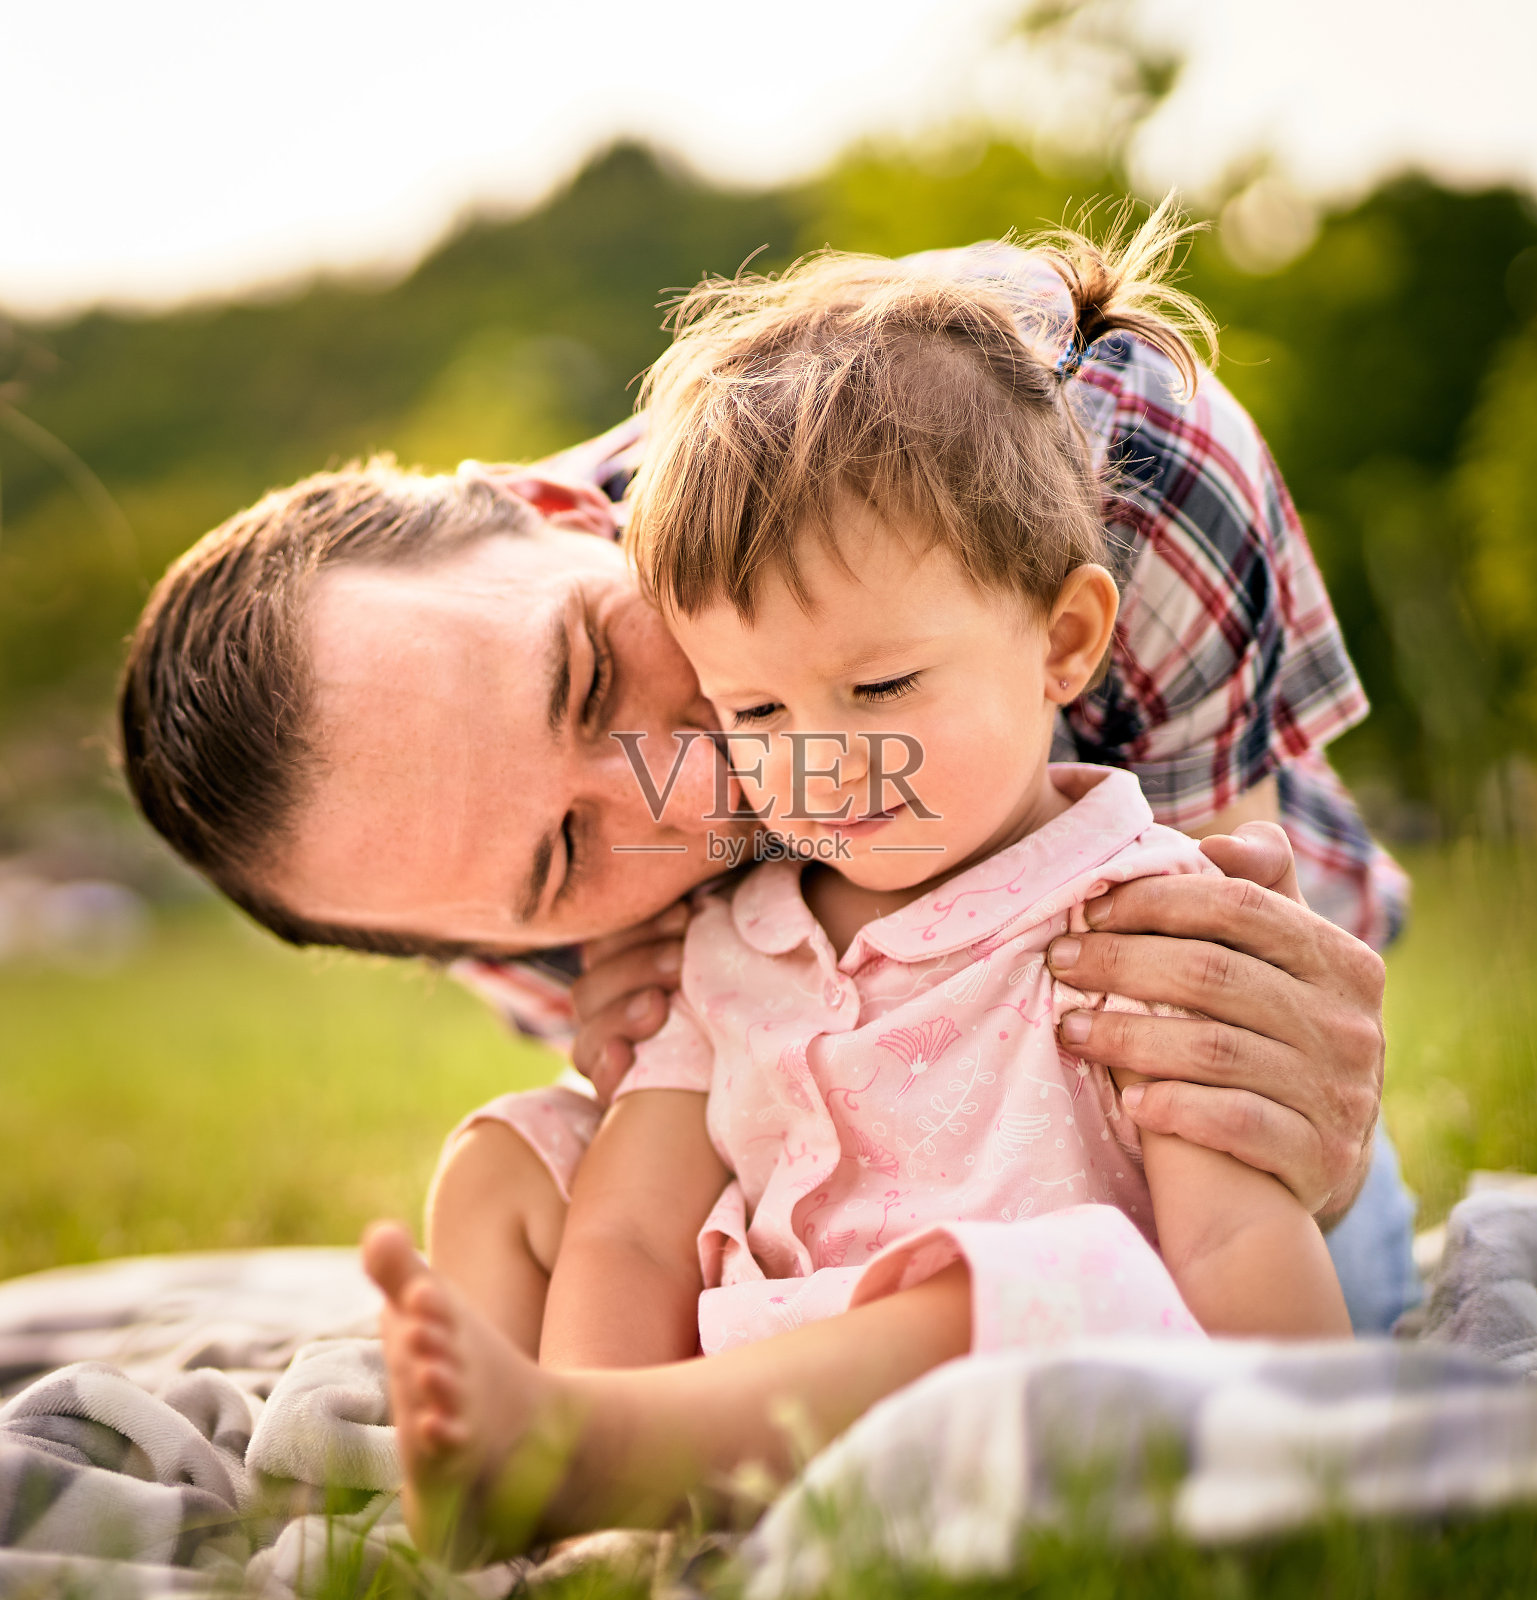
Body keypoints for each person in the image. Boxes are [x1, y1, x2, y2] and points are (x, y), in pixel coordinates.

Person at [116, 225, 1412, 1341]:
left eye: (589, 673)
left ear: (557, 509)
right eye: (567, 856)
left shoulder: (1105, 447)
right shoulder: (442, 852)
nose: (693, 788)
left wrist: (1279, 1109)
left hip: (1171, 1134)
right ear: (480, 946)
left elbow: (1241, 1053)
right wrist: (651, 1060)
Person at [359, 218, 1350, 1559]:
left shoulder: (1132, 909)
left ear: (1061, 641)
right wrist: (604, 1400)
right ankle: (565, 1481)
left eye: (880, 687)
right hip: (743, 1395)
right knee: (508, 1155)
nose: (817, 760)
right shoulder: (737, 941)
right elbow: (632, 1233)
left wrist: (1307, 1467)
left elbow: (1233, 1244)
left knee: (1071, 1281)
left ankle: (587, 1458)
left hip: (1014, 1405)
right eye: (755, 711)